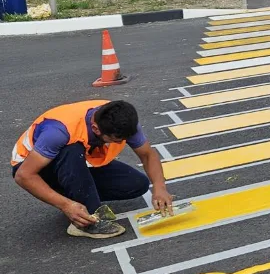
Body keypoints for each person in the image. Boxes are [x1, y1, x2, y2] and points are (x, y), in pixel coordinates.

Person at [11, 100, 174, 239]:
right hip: (35, 168)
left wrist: (160, 188)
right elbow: (23, 175)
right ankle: (86, 221)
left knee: (137, 184)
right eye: (115, 140)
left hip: (75, 162)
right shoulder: (59, 131)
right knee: (72, 150)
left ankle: (78, 196)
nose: (120, 143)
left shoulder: (122, 120)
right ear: (96, 129)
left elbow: (147, 155)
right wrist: (66, 205)